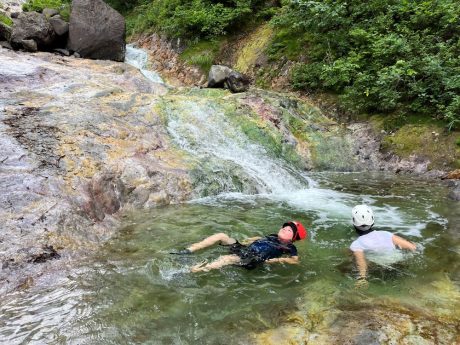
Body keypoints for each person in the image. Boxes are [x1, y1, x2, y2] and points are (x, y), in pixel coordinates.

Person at [172, 221, 307, 272]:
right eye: (285, 228)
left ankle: (196, 270)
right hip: (246, 249)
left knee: (227, 258)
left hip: (254, 258)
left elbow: (295, 260)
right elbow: (260, 239)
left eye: (290, 231)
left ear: (293, 238)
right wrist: (248, 240)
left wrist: (278, 260)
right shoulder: (272, 236)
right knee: (222, 235)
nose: (285, 230)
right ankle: (188, 250)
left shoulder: (289, 247)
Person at [350, 205, 417, 287]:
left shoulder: (357, 244)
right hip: (399, 262)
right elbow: (411, 247)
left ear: (354, 224)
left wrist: (362, 278)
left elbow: (360, 261)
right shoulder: (386, 234)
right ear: (373, 221)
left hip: (382, 267)